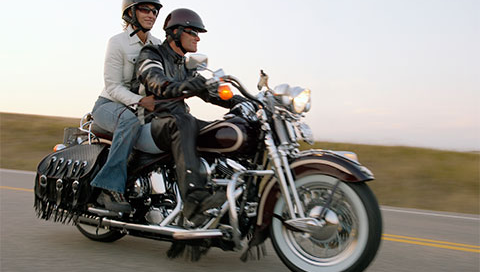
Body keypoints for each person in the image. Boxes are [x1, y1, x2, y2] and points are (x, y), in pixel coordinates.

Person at [133, 8, 248, 225]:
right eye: (193, 32)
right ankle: (194, 202)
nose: (197, 38)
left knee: (224, 130)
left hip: (175, 122)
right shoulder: (152, 53)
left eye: (198, 33)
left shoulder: (186, 67)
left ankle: (229, 197)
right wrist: (184, 86)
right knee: (184, 121)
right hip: (149, 124)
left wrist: (241, 101)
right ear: (175, 32)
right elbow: (154, 80)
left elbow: (209, 92)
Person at [90, 0, 163, 213]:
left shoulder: (158, 44)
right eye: (144, 9)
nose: (151, 15)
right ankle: (108, 187)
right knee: (130, 121)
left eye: (154, 11)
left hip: (142, 108)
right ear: (130, 12)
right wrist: (140, 101)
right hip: (109, 105)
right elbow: (112, 86)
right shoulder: (117, 42)